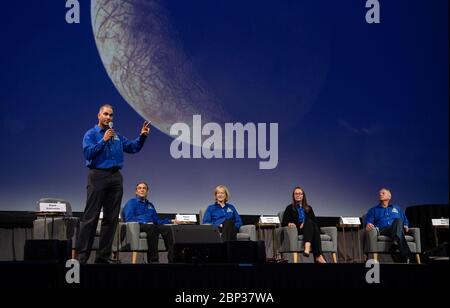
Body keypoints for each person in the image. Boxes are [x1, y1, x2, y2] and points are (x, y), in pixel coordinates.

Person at [76, 104, 150, 264]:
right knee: (91, 217)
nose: (109, 117)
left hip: (115, 178)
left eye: (111, 115)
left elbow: (132, 147)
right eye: (106, 114)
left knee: (111, 219)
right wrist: (103, 140)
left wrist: (142, 136)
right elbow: (88, 153)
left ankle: (102, 257)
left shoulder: (117, 136)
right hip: (97, 176)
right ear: (99, 115)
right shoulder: (91, 134)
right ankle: (81, 258)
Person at [123, 182, 179, 263]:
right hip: (137, 226)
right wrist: (145, 222)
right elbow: (128, 218)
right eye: (139, 188)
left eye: (144, 188)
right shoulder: (131, 203)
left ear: (147, 192)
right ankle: (154, 260)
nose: (142, 190)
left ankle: (172, 259)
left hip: (151, 225)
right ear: (136, 192)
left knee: (167, 229)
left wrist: (170, 221)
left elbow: (156, 220)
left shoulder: (150, 205)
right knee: (152, 228)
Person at [364, 188, 412, 262]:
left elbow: (405, 219)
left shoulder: (397, 208)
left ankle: (396, 243)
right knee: (399, 229)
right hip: (383, 230)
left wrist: (406, 224)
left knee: (398, 220)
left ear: (389, 197)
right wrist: (368, 224)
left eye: (383, 193)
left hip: (397, 228)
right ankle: (404, 253)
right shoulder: (373, 210)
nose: (380, 194)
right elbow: (368, 222)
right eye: (380, 193)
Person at [281, 187, 327, 263]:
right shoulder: (289, 208)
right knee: (309, 223)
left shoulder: (309, 208)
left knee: (310, 223)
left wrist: (305, 224)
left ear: (303, 195)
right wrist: (289, 223)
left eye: (299, 193)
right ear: (293, 196)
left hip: (310, 229)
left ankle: (311, 251)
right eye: (296, 193)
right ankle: (317, 255)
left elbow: (315, 222)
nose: (298, 195)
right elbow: (284, 222)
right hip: (298, 229)